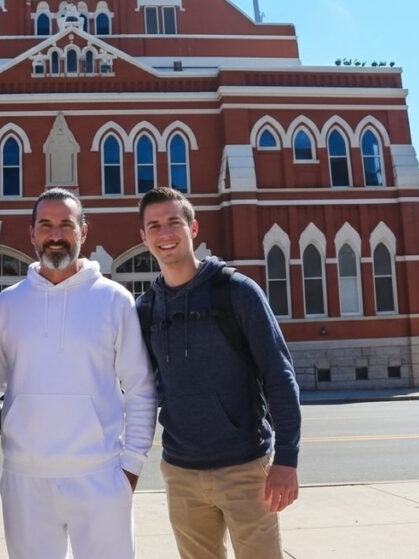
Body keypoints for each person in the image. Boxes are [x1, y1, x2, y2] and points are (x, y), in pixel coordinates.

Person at [0, 188, 158, 558]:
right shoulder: (7, 304)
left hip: (100, 476)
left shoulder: (113, 299)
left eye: (66, 224)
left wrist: (130, 468)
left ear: (83, 231)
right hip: (24, 479)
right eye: (46, 225)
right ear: (32, 233)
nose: (56, 235)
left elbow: (140, 387)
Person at [137, 187, 302, 559]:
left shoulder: (237, 292)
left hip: (245, 468)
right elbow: (138, 386)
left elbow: (279, 374)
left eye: (174, 222)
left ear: (193, 228)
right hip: (180, 472)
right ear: (143, 236)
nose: (165, 234)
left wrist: (287, 458)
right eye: (155, 226)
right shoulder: (145, 309)